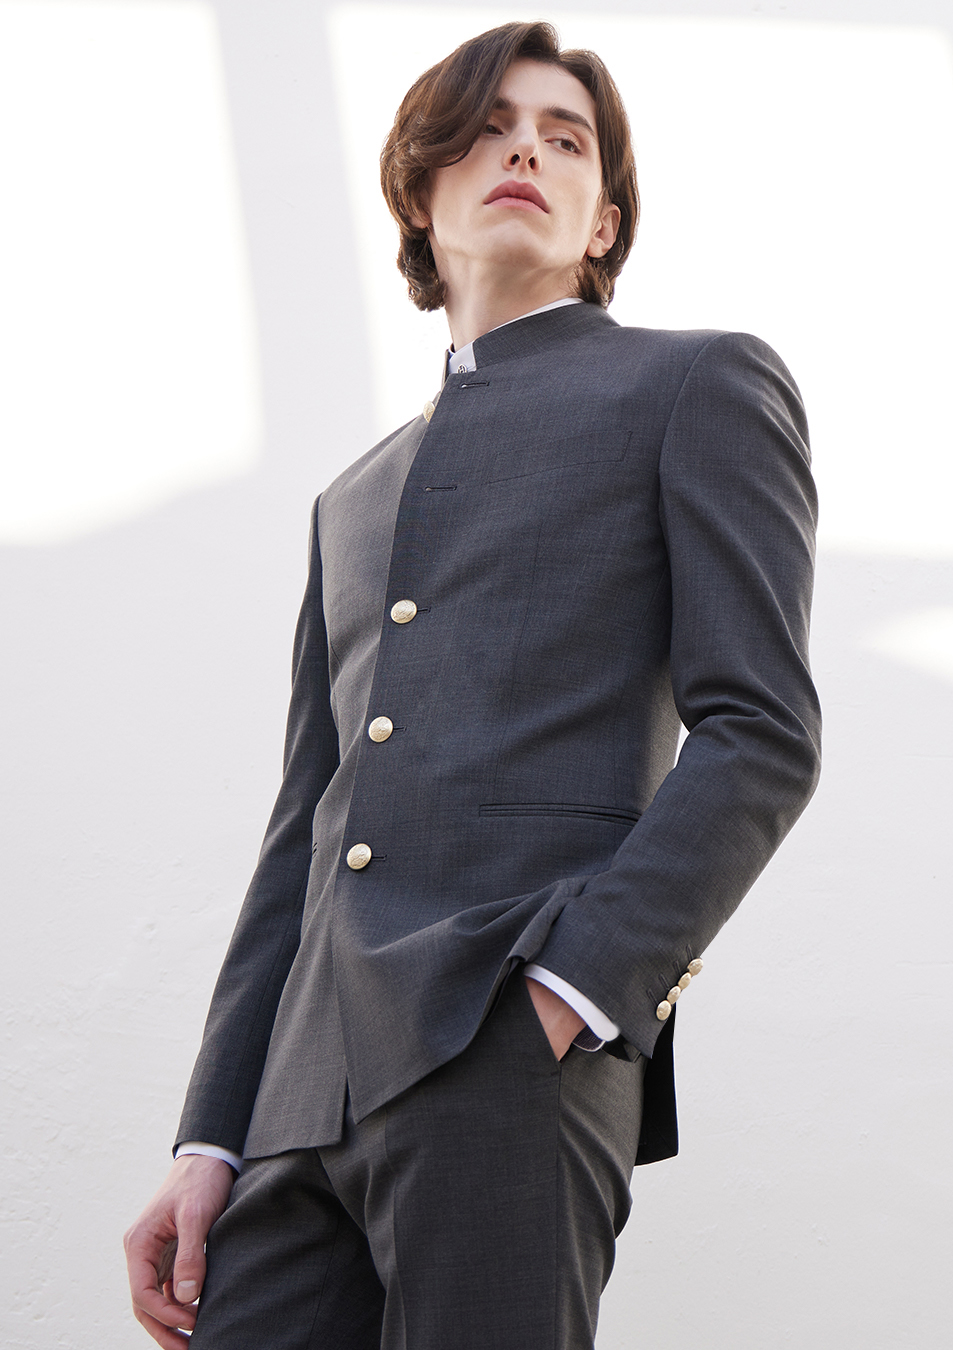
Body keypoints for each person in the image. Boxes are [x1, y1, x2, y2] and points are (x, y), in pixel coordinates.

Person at [124, 20, 820, 1350]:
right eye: (491, 129)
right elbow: (304, 830)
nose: (526, 151)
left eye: (565, 139)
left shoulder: (696, 384)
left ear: (603, 221)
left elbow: (763, 732)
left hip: (504, 1043)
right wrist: (211, 1135)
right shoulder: (350, 496)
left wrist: (576, 988)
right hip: (296, 1106)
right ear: (420, 193)